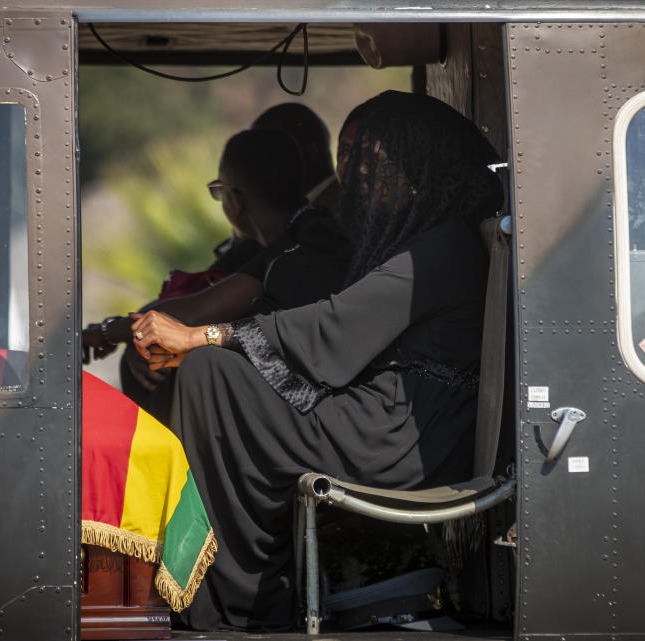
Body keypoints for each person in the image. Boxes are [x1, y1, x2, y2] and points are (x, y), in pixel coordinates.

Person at [129, 90, 504, 630]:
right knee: (217, 372)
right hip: (389, 421)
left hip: (399, 436)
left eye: (374, 163)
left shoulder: (440, 250)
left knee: (214, 373)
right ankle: (234, 593)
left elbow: (333, 327)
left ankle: (240, 603)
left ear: (420, 168)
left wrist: (201, 336)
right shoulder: (427, 240)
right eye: (349, 160)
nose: (357, 177)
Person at [84, 127, 349, 419]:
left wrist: (106, 332)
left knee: (195, 366)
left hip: (309, 402)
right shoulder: (271, 240)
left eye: (219, 191)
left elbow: (191, 313)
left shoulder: (307, 237)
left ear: (235, 200)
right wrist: (130, 335)